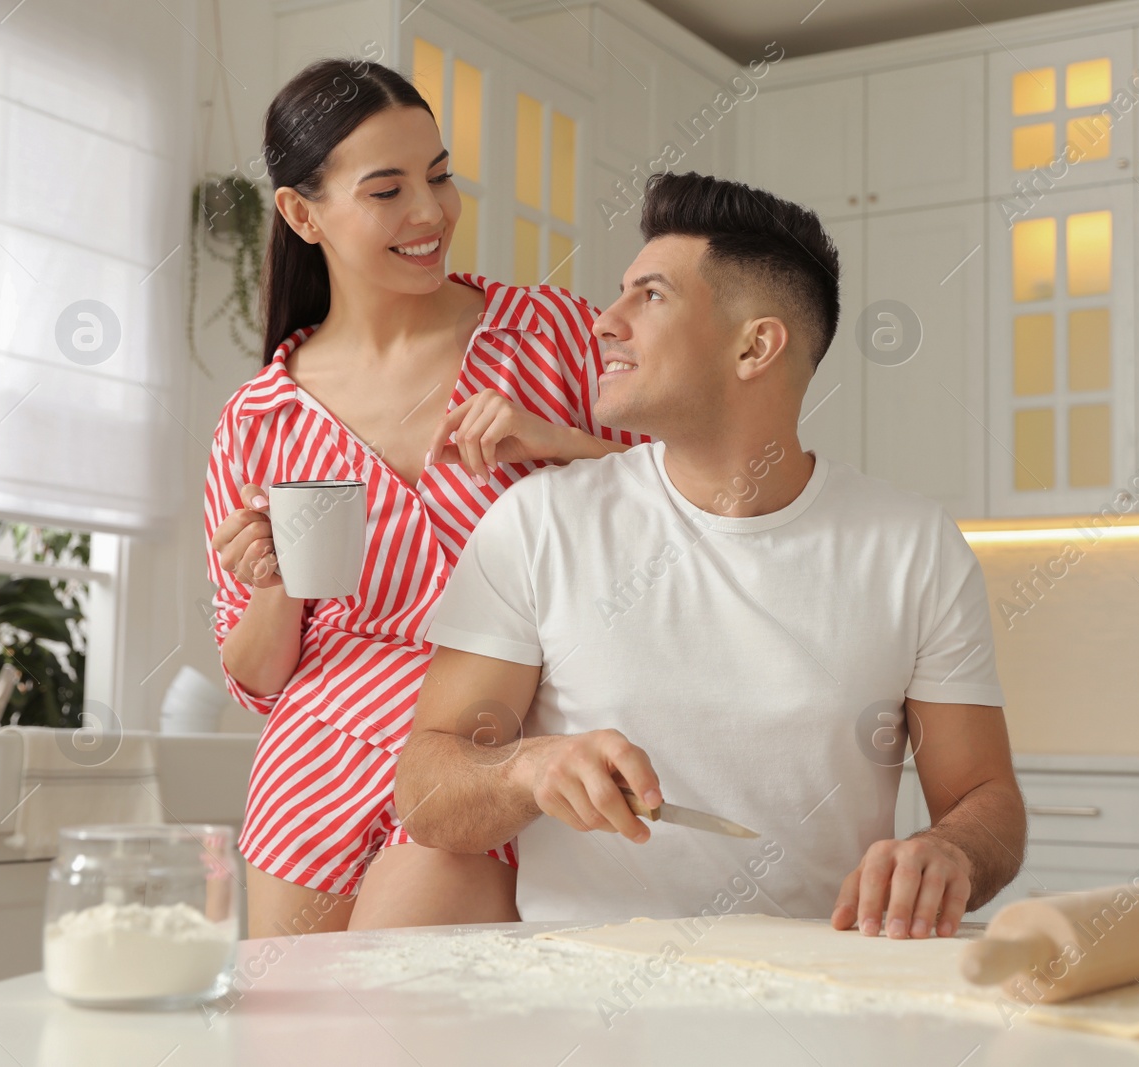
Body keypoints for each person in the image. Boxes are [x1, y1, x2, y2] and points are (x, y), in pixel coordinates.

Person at [397, 171, 1025, 937]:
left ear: (755, 344)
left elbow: (985, 798)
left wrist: (947, 849)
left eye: (650, 296)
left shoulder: (913, 547)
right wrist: (527, 768)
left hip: (824, 981)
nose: (605, 321)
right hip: (584, 997)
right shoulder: (537, 522)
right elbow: (425, 791)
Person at [203, 58, 641, 938]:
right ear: (301, 213)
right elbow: (255, 677)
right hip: (313, 760)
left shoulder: (550, 336)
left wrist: (565, 444)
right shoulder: (260, 416)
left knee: (390, 1026)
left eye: (439, 176)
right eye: (388, 189)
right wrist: (274, 584)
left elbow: (692, 515)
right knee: (284, 1036)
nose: (431, 213)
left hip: (483, 751)